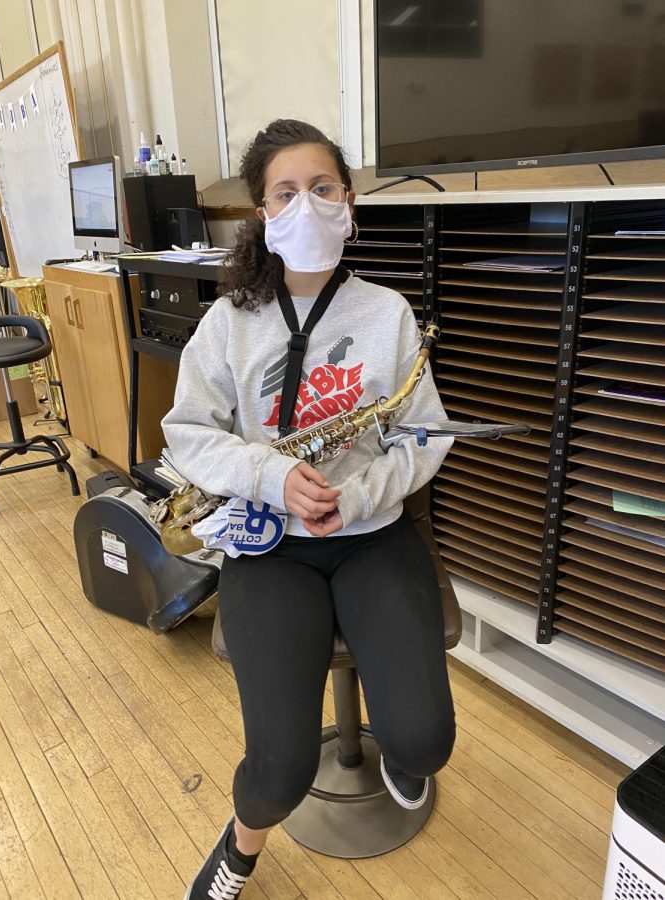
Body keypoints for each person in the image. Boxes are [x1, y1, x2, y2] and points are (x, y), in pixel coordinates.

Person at [162, 119, 456, 900]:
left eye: (322, 189)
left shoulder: (386, 314)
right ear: (261, 214)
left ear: (349, 202)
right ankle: (241, 847)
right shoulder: (228, 322)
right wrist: (267, 476)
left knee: (427, 741)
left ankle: (399, 749)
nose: (306, 206)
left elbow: (424, 434)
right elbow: (185, 432)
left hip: (371, 536)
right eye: (285, 193)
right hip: (269, 547)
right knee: (280, 771)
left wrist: (357, 493)